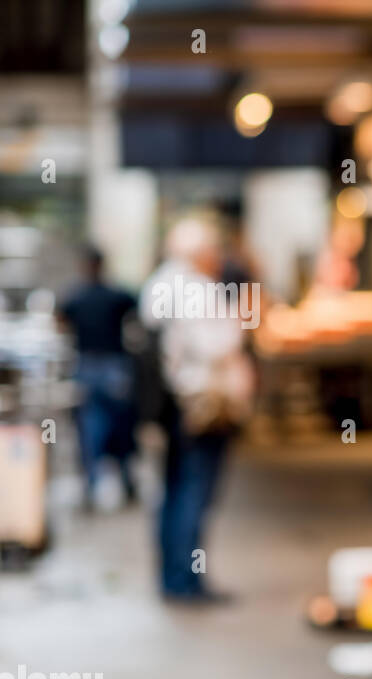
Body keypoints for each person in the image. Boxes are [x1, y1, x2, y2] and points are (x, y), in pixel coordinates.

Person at [139, 216, 255, 603]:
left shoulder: (159, 282)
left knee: (174, 490)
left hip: (173, 403)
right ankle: (187, 580)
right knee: (194, 492)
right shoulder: (193, 288)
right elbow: (217, 345)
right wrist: (244, 317)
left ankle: (173, 575)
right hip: (199, 403)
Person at [58, 245, 140, 509]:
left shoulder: (75, 297)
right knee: (122, 426)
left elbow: (60, 321)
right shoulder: (117, 295)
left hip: (87, 368)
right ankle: (127, 481)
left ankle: (92, 486)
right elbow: (138, 314)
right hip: (115, 368)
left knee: (91, 430)